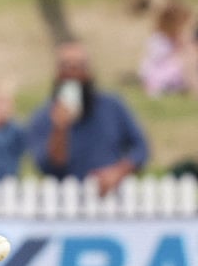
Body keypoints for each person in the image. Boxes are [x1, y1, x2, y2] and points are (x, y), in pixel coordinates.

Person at [27, 40, 149, 196]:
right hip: (65, 202)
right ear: (57, 73)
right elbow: (48, 167)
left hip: (110, 199)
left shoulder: (113, 107)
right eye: (66, 66)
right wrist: (59, 129)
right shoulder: (43, 117)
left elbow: (141, 148)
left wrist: (118, 172)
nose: (73, 73)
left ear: (89, 71)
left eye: (79, 66)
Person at [138, 0, 198, 97]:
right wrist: (178, 49)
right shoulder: (158, 39)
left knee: (191, 58)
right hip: (158, 73)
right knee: (187, 61)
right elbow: (157, 58)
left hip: (173, 71)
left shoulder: (176, 39)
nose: (184, 29)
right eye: (182, 25)